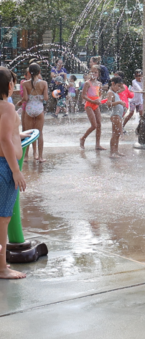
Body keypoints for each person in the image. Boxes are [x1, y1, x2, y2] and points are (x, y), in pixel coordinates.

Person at [0, 66, 28, 279]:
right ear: (9, 86)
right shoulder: (7, 108)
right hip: (5, 167)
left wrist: (18, 133)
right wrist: (16, 170)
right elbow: (4, 140)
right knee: (3, 219)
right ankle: (2, 267)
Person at [22, 63, 49, 163]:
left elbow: (25, 98)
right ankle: (40, 157)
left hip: (29, 108)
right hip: (39, 108)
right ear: (39, 72)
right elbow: (46, 98)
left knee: (28, 133)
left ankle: (25, 157)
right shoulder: (44, 83)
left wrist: (20, 102)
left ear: (29, 72)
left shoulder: (25, 83)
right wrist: (40, 97)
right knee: (40, 133)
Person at [80, 65, 106, 150]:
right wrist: (93, 101)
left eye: (96, 72)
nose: (94, 74)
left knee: (99, 125)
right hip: (89, 105)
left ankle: (97, 144)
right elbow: (83, 95)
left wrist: (99, 100)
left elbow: (100, 95)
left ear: (98, 74)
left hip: (96, 104)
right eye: (92, 72)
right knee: (94, 125)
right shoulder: (88, 83)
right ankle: (83, 138)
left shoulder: (99, 84)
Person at [106, 77, 127, 158]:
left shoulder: (115, 91)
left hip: (118, 115)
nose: (119, 88)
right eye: (118, 86)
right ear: (113, 84)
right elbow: (108, 104)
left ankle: (116, 151)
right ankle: (112, 152)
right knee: (114, 134)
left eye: (119, 86)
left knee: (117, 134)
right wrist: (119, 102)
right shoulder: (110, 93)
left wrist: (120, 83)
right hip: (115, 115)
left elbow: (124, 88)